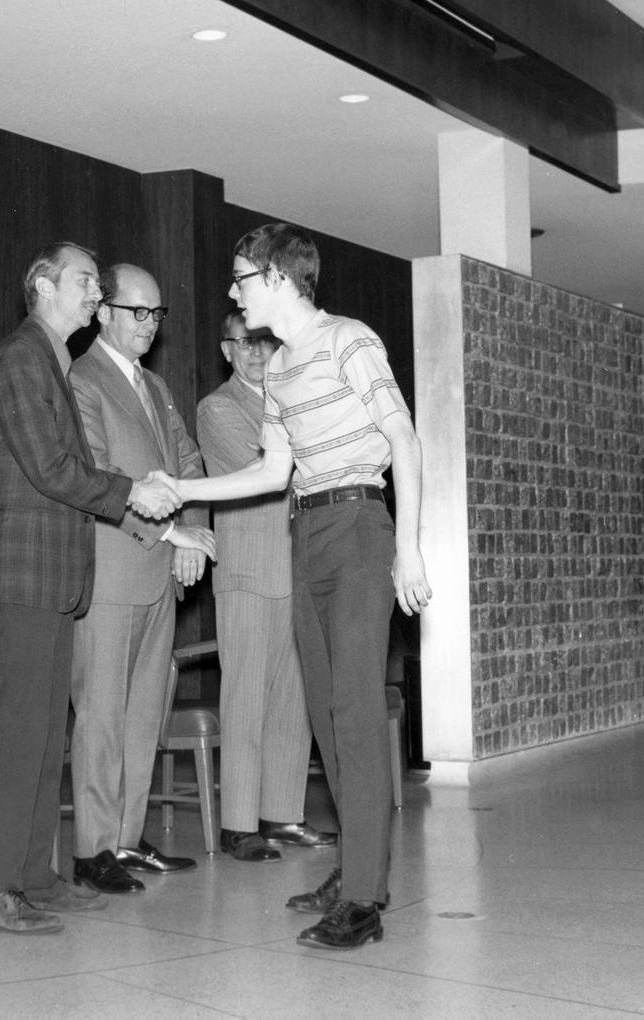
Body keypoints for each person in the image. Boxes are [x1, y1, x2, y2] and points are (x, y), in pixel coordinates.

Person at [170, 223, 432, 951]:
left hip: (358, 525)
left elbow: (402, 438)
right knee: (324, 713)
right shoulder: (280, 371)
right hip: (306, 531)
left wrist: (406, 548)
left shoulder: (351, 340)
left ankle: (362, 903)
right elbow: (270, 473)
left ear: (280, 280)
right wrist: (178, 488)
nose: (232, 290)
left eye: (241, 277)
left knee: (352, 711)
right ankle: (358, 871)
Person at [0, 242, 193, 934]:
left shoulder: (50, 362)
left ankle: (33, 875)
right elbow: (55, 468)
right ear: (43, 285)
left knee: (44, 736)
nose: (96, 293)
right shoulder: (22, 359)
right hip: (23, 576)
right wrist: (134, 494)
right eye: (86, 281)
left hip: (53, 579)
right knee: (17, 737)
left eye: (97, 282)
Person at [66, 264, 215, 894]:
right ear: (103, 311)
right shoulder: (80, 379)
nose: (149, 326)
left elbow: (190, 462)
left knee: (143, 713)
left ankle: (126, 839)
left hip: (160, 573)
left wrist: (196, 535)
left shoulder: (155, 386)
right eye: (137, 312)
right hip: (111, 570)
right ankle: (93, 849)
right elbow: (96, 474)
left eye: (157, 314)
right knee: (101, 715)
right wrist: (167, 533)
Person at [196, 311, 337, 863]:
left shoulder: (290, 399)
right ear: (226, 351)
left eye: (264, 343)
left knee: (293, 700)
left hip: (297, 567)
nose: (255, 354)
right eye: (243, 344)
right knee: (247, 697)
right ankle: (238, 824)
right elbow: (268, 468)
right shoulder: (219, 407)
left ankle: (283, 814)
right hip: (249, 571)